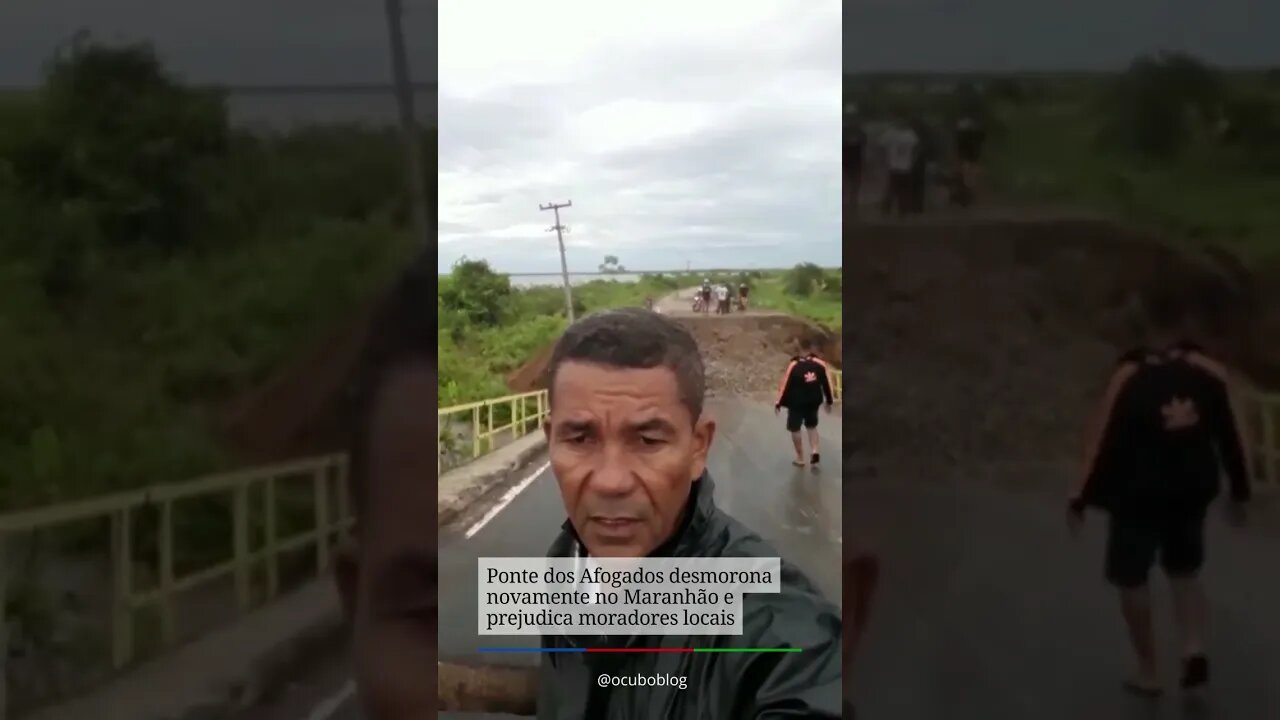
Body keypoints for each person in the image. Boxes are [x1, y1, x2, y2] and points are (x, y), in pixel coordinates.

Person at [539, 309, 843, 718]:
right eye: (579, 438)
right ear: (550, 441)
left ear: (698, 447)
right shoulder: (566, 561)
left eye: (647, 440)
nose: (611, 482)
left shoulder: (772, 620)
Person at [1069, 311, 1251, 697]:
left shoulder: (1128, 378)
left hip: (1140, 494)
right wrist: (1240, 491)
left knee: (1132, 578)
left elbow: (1100, 437)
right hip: (1192, 490)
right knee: (1184, 571)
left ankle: (1149, 671)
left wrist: (1080, 497)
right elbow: (1233, 433)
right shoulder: (1208, 375)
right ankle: (1193, 648)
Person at [774, 338, 836, 466]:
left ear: (798, 348)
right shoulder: (820, 364)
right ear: (811, 348)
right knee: (812, 426)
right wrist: (829, 401)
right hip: (814, 401)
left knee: (795, 428)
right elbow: (827, 384)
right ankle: (815, 451)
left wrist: (778, 403)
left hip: (797, 403)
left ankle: (800, 457)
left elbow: (784, 384)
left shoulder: (794, 365)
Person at [880, 119, 918, 218]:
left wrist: (913, 161)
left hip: (905, 165)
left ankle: (901, 210)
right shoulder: (891, 133)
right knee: (893, 188)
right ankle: (888, 209)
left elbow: (915, 149)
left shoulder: (910, 133)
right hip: (894, 165)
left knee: (902, 189)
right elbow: (882, 147)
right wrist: (885, 159)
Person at [953, 116, 985, 207]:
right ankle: (967, 197)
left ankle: (968, 197)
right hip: (970, 159)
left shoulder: (968, 138)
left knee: (967, 178)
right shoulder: (974, 137)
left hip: (969, 159)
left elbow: (960, 150)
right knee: (968, 178)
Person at [844, 117, 867, 215]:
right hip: (845, 161)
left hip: (856, 161)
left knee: (855, 184)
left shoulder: (861, 133)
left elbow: (864, 147)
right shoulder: (843, 133)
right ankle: (847, 204)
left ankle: (853, 204)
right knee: (846, 184)